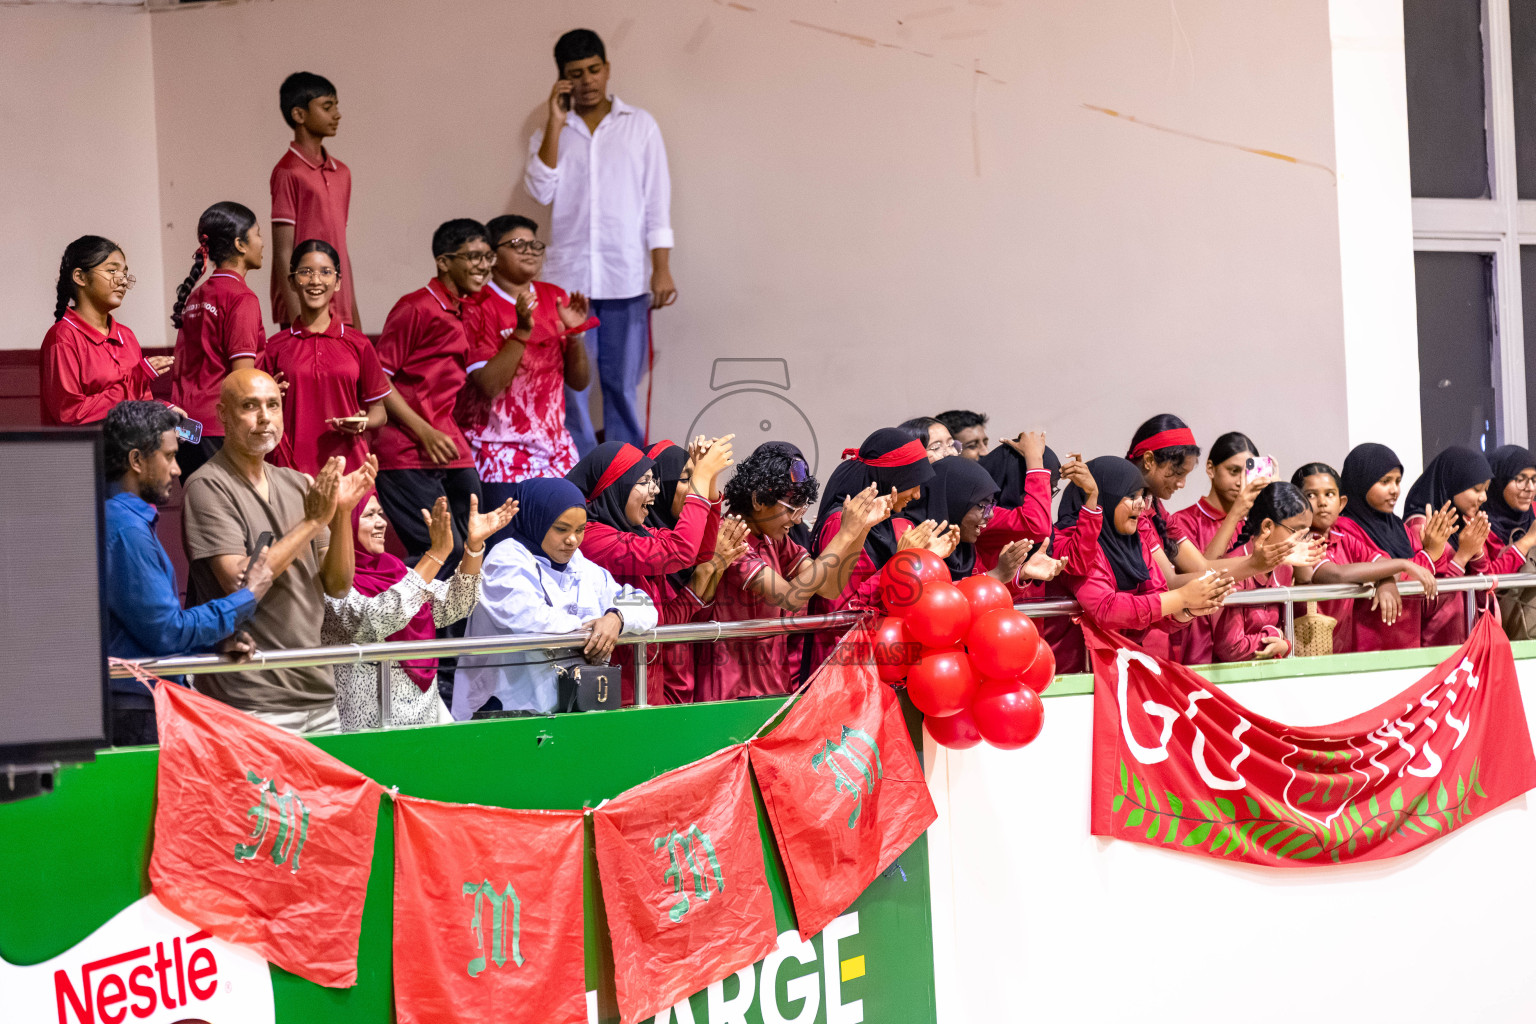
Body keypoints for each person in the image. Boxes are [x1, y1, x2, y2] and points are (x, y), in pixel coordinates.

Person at [181, 368, 375, 734]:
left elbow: (337, 585)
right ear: (223, 414)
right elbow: (242, 584)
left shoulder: (298, 483)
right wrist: (314, 522)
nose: (265, 417)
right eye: (250, 406)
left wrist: (342, 513)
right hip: (251, 698)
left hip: (318, 694)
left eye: (273, 405)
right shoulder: (206, 486)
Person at [525, 28, 675, 453]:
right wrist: (556, 123)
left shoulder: (640, 126)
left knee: (621, 384)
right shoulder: (549, 134)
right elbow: (541, 190)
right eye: (577, 73)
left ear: (607, 69)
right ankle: (582, 469)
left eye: (594, 69)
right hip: (569, 283)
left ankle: (627, 474)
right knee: (569, 385)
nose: (588, 80)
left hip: (626, 276)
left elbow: (656, 203)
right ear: (563, 79)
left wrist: (661, 269)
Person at [102, 401, 273, 745]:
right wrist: (247, 596)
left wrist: (212, 643)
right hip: (138, 710)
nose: (178, 469)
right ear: (136, 461)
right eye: (169, 456)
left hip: (138, 701)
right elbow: (166, 632)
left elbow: (147, 631)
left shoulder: (122, 522)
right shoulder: (126, 530)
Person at [700, 443, 893, 700]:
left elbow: (828, 587)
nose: (798, 520)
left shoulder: (773, 537)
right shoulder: (730, 537)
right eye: (793, 509)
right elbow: (792, 597)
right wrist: (844, 532)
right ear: (758, 500)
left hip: (772, 685)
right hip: (729, 690)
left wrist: (861, 530)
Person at [453, 477, 658, 717]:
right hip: (502, 711)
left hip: (565, 713)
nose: (572, 540)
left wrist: (617, 618)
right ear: (536, 520)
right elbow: (532, 621)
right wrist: (596, 630)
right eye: (561, 529)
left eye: (580, 530)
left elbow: (646, 606)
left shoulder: (579, 564)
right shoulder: (505, 559)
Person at [323, 491, 515, 731]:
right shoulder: (329, 584)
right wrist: (435, 556)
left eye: (381, 514)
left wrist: (473, 548)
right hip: (367, 724)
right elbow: (375, 619)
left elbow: (456, 605)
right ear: (343, 525)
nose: (382, 522)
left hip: (423, 713)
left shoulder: (394, 570)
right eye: (369, 515)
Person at [566, 438, 735, 702]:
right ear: (616, 485)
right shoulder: (592, 536)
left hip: (648, 690)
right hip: (614, 695)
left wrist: (709, 480)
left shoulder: (636, 531)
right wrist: (698, 480)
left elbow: (701, 552)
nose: (654, 490)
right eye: (643, 481)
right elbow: (681, 551)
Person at [373, 219, 488, 569]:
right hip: (407, 446)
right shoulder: (416, 307)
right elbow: (377, 378)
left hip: (447, 441)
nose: (483, 266)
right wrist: (423, 429)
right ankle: (414, 623)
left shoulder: (468, 309)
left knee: (474, 540)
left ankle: (459, 627)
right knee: (439, 551)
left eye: (488, 257)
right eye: (473, 256)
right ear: (444, 261)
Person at [460, 214, 592, 500]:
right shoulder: (477, 303)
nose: (530, 251)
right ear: (493, 255)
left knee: (568, 540)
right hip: (499, 451)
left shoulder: (555, 296)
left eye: (535, 245)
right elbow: (488, 385)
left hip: (556, 451)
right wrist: (521, 331)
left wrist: (575, 334)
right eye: (519, 244)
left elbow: (579, 383)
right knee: (510, 544)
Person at [1054, 456, 1232, 664]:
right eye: (1131, 496)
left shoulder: (1135, 542)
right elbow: (1106, 609)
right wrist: (1182, 597)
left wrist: (1189, 609)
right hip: (1070, 675)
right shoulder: (1070, 541)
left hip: (1117, 666)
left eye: (1142, 497)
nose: (1140, 506)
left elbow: (1158, 602)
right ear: (1106, 499)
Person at [257, 239, 391, 474]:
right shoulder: (273, 347)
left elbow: (379, 412)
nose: (315, 280)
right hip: (289, 473)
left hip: (350, 470)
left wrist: (363, 423)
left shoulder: (358, 343)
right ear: (291, 281)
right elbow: (256, 411)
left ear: (338, 282)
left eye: (325, 272)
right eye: (305, 272)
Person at [1291, 460, 1438, 654]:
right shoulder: (1300, 541)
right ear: (1296, 502)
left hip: (1344, 649)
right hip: (1308, 650)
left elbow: (1382, 562)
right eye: (1311, 495)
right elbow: (1335, 575)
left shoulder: (1343, 538)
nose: (1322, 502)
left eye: (1329, 494)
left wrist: (1385, 581)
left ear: (1342, 502)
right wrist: (1402, 564)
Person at [169, 202, 267, 478]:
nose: (262, 243)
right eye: (258, 234)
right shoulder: (241, 298)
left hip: (185, 427)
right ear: (240, 244)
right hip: (219, 428)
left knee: (200, 512)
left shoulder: (197, 296)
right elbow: (242, 380)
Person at [1166, 431, 1272, 664]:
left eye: (1247, 473)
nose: (1240, 482)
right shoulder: (1181, 521)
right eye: (1233, 471)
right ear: (1211, 468)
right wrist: (1235, 513)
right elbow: (1198, 572)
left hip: (1245, 645)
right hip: (1196, 640)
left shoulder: (1256, 525)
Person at [42, 236, 171, 426]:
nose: (123, 281)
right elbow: (70, 413)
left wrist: (163, 410)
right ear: (80, 277)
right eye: (112, 271)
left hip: (129, 452)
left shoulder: (126, 336)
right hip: (86, 454)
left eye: (124, 273)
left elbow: (138, 403)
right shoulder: (63, 337)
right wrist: (136, 380)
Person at [810, 428, 941, 614]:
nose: (917, 494)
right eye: (913, 481)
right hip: (840, 642)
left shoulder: (882, 520)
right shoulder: (842, 522)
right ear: (891, 477)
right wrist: (899, 566)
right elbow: (840, 609)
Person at [1331, 443, 1446, 652]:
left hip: (1408, 640)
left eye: (1397, 481)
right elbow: (1403, 569)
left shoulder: (1399, 527)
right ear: (1361, 481)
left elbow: (1423, 578)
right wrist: (1429, 555)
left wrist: (1432, 553)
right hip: (1365, 645)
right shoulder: (1344, 528)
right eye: (1385, 482)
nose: (1394, 490)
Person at [270, 72, 359, 328]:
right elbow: (283, 251)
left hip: (340, 305)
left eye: (336, 106)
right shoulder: (288, 172)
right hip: (304, 304)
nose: (337, 115)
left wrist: (353, 312)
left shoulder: (342, 172)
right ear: (299, 115)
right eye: (327, 107)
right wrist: (297, 316)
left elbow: (341, 247)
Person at [903, 454, 1063, 585]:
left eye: (992, 505)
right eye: (982, 506)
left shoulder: (966, 549)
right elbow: (922, 596)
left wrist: (1021, 574)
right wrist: (997, 575)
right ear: (955, 501)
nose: (991, 514)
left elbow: (983, 600)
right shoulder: (906, 531)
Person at [1211, 483, 1313, 663]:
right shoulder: (1234, 571)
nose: (1302, 542)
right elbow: (1229, 647)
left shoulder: (1285, 569)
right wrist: (1274, 635)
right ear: (1267, 526)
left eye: (1306, 534)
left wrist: (1286, 645)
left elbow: (1286, 636)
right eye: (1297, 532)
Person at [1403, 445, 1493, 647]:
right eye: (1477, 489)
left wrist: (1477, 554)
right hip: (1435, 647)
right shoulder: (1422, 526)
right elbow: (1424, 600)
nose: (1484, 497)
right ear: (1452, 482)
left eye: (1486, 489)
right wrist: (1462, 557)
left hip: (1465, 642)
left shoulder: (1464, 523)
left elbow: (1485, 587)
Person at [1482, 446, 1536, 637]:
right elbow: (1485, 580)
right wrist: (1525, 543)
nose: (1530, 488)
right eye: (1520, 479)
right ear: (1498, 481)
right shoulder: (1480, 525)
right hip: (1503, 631)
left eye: (1534, 479)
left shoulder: (1534, 512)